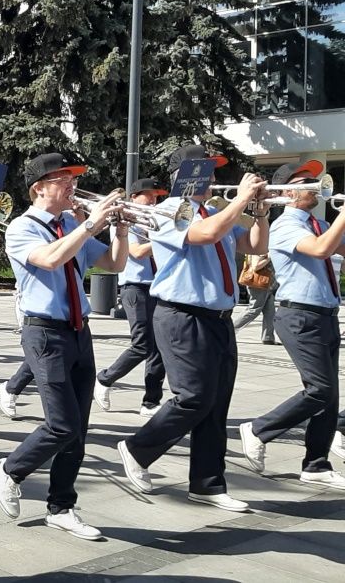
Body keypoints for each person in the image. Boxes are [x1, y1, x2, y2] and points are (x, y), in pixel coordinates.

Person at [116, 145, 268, 513]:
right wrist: (241, 200)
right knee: (193, 397)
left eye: (214, 171)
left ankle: (207, 483)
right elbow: (204, 236)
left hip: (217, 319)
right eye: (207, 171)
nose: (214, 179)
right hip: (182, 315)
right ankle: (138, 448)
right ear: (185, 174)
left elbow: (255, 245)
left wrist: (260, 213)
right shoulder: (168, 210)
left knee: (216, 404)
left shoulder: (212, 211)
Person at [0, 152, 127, 541]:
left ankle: (62, 506)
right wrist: (90, 225)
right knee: (61, 424)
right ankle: (11, 467)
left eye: (72, 179)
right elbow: (50, 260)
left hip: (79, 330)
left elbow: (114, 265)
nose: (72, 186)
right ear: (39, 188)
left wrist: (118, 229)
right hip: (44, 331)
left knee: (78, 428)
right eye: (62, 180)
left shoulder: (71, 222)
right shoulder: (22, 228)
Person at [238, 161, 345, 490]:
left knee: (330, 397)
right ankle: (258, 429)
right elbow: (320, 249)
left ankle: (316, 464)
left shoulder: (317, 222)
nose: (315, 185)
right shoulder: (286, 225)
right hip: (299, 315)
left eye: (315, 180)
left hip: (324, 313)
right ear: (285, 192)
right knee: (320, 391)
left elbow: (338, 247)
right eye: (306, 182)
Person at [93, 178, 169, 417]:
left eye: (156, 196)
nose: (154, 200)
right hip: (134, 288)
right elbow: (135, 252)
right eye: (149, 195)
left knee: (159, 347)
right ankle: (105, 379)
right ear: (134, 197)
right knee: (142, 344)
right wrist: (165, 237)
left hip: (155, 287)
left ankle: (151, 401)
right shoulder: (125, 221)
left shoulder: (152, 222)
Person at [233, 253, 277, 344]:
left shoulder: (265, 247)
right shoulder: (260, 249)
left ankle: (268, 337)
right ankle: (231, 329)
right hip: (258, 284)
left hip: (267, 283)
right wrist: (269, 257)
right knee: (253, 309)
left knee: (270, 311)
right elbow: (256, 266)